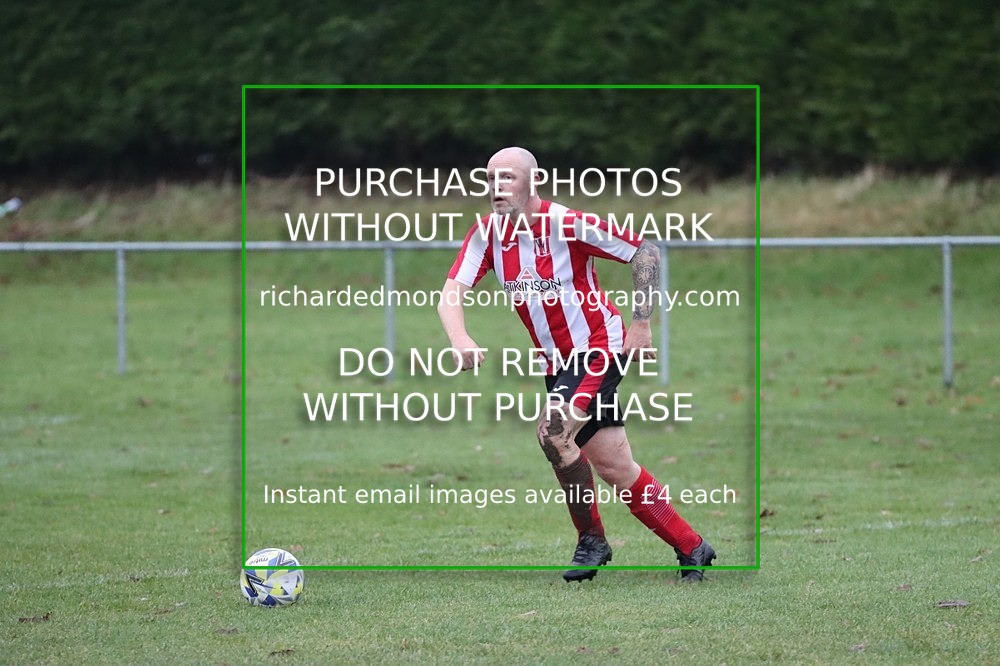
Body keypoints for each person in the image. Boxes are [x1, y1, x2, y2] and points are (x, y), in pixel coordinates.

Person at [437, 147, 715, 582]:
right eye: (490, 179)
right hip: (558, 364)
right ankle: (692, 545)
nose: (496, 187)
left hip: (598, 347)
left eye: (507, 177)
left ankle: (593, 541)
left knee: (553, 432)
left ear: (532, 182)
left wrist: (641, 326)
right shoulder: (487, 234)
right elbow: (451, 290)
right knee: (614, 467)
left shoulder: (565, 223)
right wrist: (460, 338)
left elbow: (645, 251)